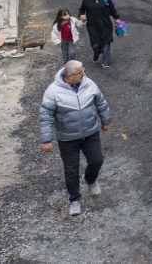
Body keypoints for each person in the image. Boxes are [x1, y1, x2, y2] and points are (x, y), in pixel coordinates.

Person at [38, 60, 112, 216]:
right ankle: (75, 200)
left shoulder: (89, 84)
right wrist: (46, 139)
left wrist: (105, 121)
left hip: (90, 133)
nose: (84, 74)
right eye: (80, 73)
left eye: (83, 71)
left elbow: (101, 102)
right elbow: (45, 116)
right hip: (67, 138)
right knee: (71, 170)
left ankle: (90, 179)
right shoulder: (53, 91)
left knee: (97, 160)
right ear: (70, 76)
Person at [79, 0, 122, 68]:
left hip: (106, 24)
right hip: (92, 26)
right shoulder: (86, 0)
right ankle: (97, 52)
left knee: (106, 42)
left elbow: (112, 8)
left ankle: (106, 62)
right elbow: (82, 9)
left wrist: (116, 18)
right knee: (95, 45)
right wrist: (81, 15)